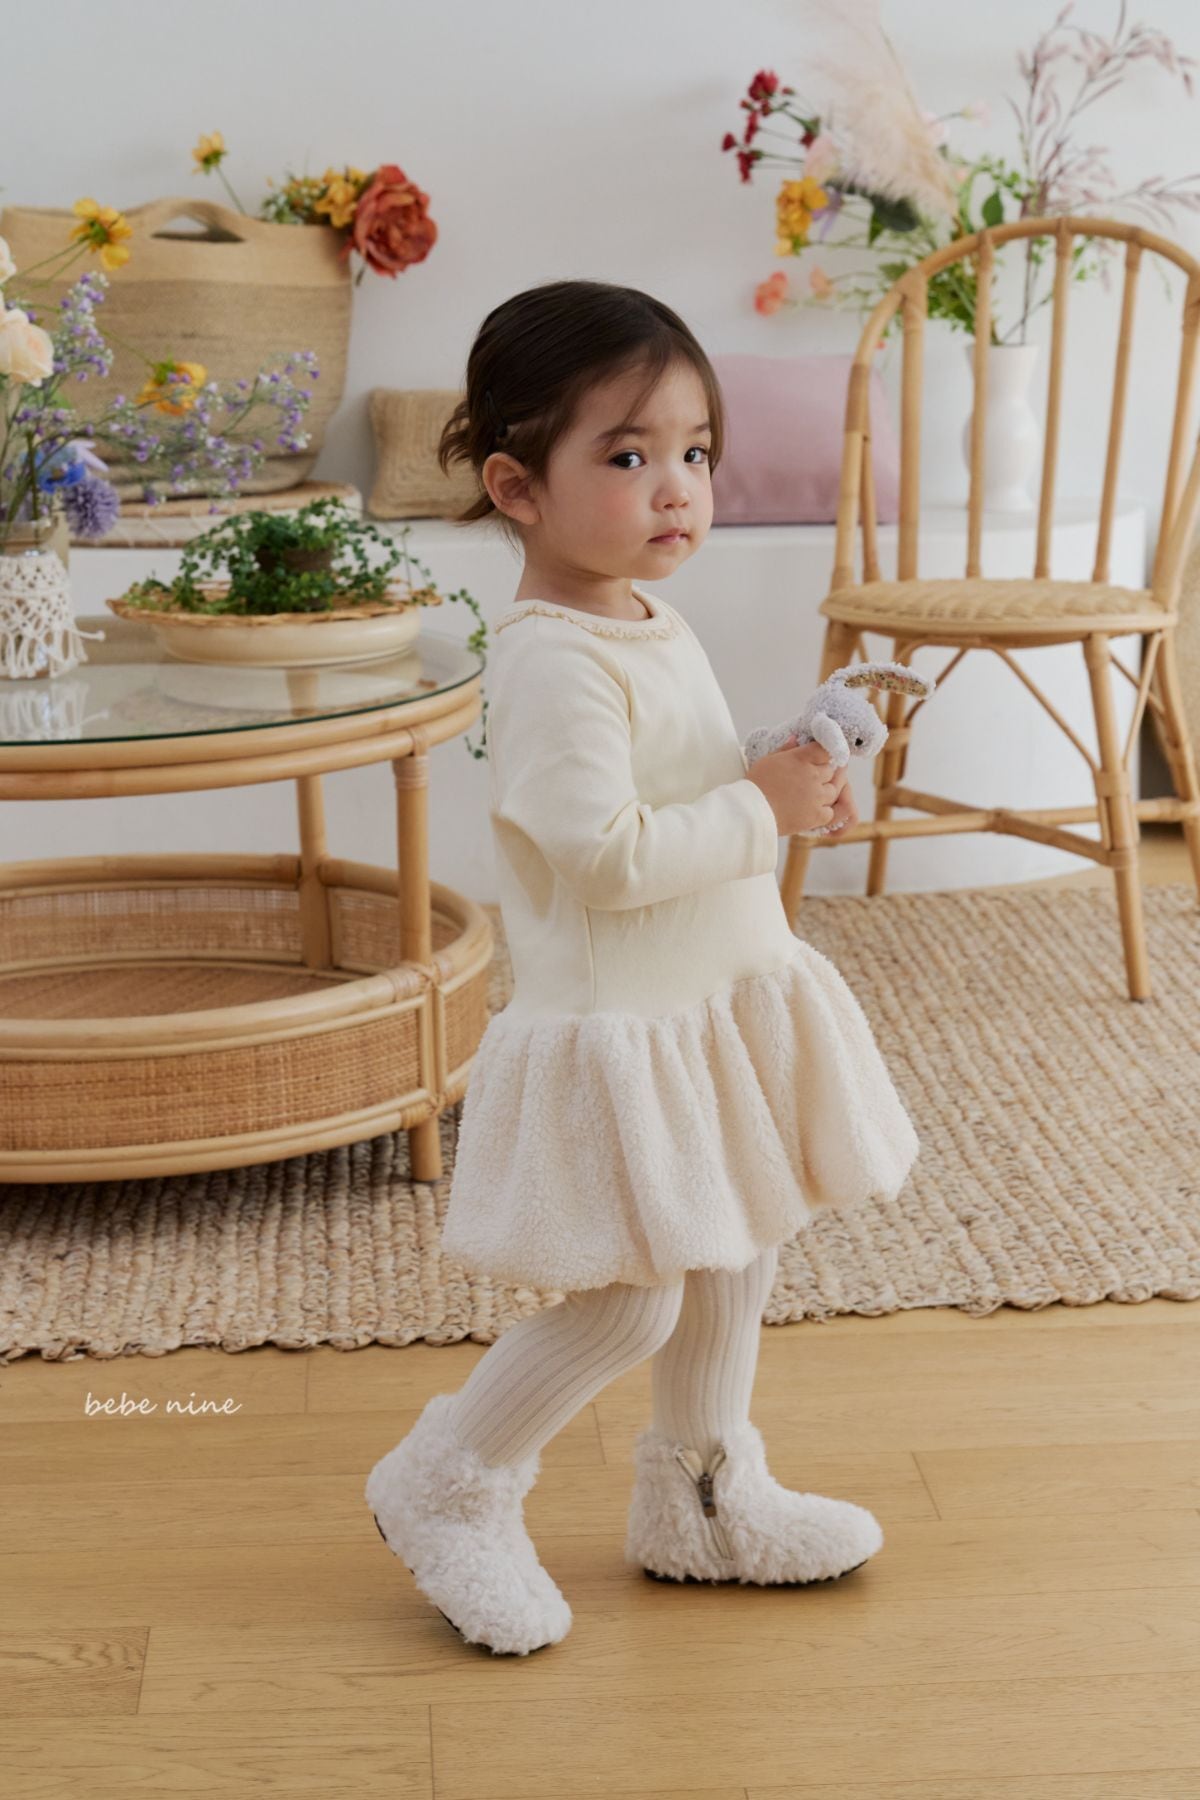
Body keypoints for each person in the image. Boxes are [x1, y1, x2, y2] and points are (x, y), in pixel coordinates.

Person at [365, 279, 920, 1656]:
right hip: (621, 1024)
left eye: (694, 452)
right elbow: (603, 856)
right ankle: (446, 1481)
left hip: (705, 995)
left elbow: (674, 781)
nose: (676, 487)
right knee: (636, 1296)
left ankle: (705, 1499)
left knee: (741, 1240)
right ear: (518, 487)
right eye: (627, 456)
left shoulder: (639, 617)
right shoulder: (551, 661)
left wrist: (772, 769)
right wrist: (757, 811)